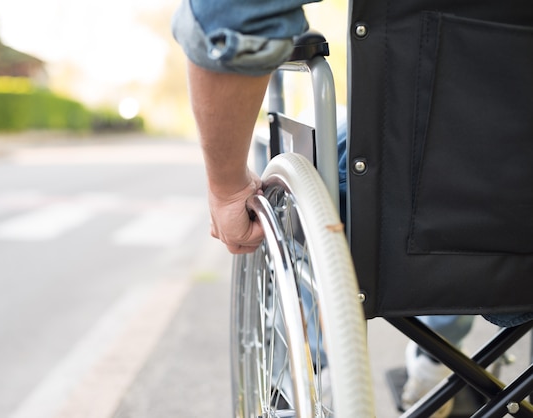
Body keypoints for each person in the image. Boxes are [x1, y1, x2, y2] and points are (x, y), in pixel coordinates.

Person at [171, 1, 531, 416]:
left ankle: (304, 375)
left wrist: (227, 188)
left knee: (338, 156)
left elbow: (238, 15)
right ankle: (434, 362)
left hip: (433, 220)